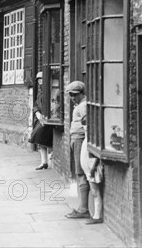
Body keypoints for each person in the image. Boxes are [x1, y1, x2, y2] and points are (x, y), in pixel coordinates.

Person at [65, 80, 90, 219]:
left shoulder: (83, 106)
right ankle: (82, 207)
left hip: (80, 140)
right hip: (76, 140)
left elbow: (87, 126)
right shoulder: (80, 105)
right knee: (79, 173)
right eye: (70, 95)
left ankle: (83, 209)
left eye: (75, 95)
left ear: (82, 93)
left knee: (80, 173)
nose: (72, 98)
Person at [80, 116, 104, 225]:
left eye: (86, 125)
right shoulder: (88, 137)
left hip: (92, 169)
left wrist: (92, 169)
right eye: (83, 125)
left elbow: (94, 156)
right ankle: (95, 214)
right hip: (89, 169)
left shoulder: (92, 138)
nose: (85, 127)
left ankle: (97, 216)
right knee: (94, 192)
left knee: (95, 192)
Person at [29, 72, 53, 170]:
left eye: (41, 79)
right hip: (39, 119)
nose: (40, 82)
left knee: (38, 136)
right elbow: (35, 105)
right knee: (40, 141)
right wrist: (37, 113)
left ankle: (50, 158)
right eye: (38, 80)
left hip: (48, 119)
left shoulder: (51, 91)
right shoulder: (40, 93)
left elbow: (55, 105)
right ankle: (44, 162)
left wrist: (46, 116)